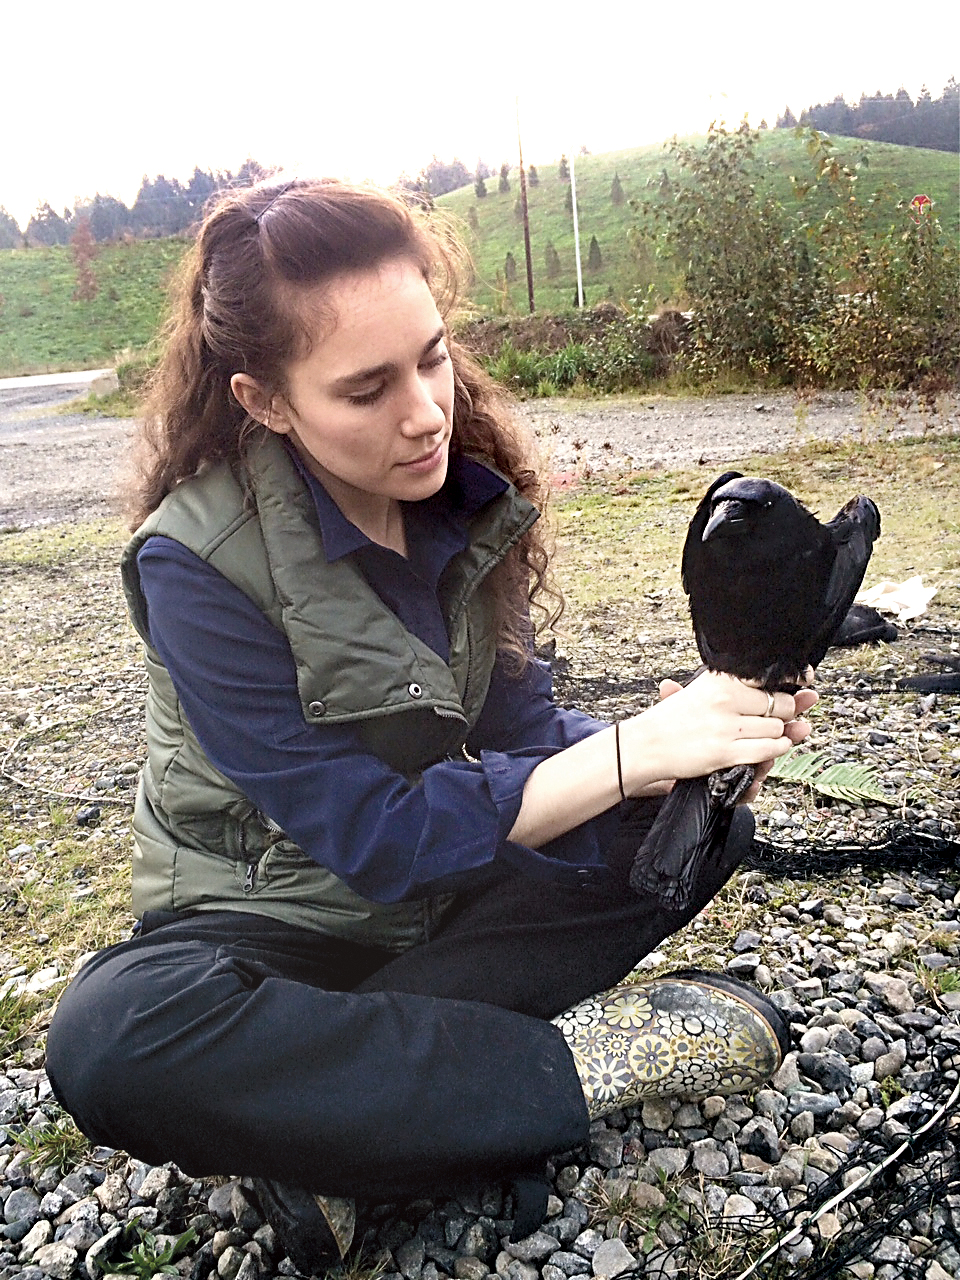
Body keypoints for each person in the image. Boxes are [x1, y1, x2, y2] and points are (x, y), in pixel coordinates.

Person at [46, 177, 817, 1273]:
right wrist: (619, 756)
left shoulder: (464, 496)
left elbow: (524, 731)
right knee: (109, 1036)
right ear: (264, 400)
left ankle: (328, 1121)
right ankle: (575, 1067)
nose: (424, 410)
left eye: (432, 355)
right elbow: (370, 837)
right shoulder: (193, 562)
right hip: (272, 926)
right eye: (366, 388)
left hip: (437, 915)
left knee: (692, 825)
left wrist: (674, 743)